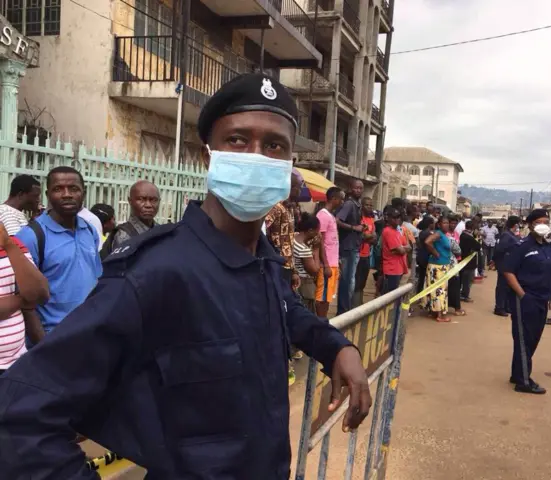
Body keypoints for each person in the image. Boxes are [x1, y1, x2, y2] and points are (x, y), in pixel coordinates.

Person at [0, 73, 371, 478]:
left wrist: (337, 348)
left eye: (274, 145)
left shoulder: (261, 260)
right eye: (237, 140)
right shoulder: (156, 272)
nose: (256, 156)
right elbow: (19, 416)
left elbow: (286, 311)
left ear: (288, 164)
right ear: (208, 156)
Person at [15, 166, 102, 337]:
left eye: (74, 189)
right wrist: (44, 347)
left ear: (83, 193)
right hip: (54, 338)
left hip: (90, 333)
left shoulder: (90, 230)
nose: (67, 194)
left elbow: (96, 280)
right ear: (47, 195)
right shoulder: (31, 236)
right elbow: (24, 300)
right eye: (58, 189)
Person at [503, 209, 551, 394]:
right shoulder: (522, 246)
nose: (542, 224)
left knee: (533, 339)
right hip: (526, 298)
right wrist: (522, 295)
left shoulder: (547, 246)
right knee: (524, 339)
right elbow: (508, 271)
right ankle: (523, 381)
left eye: (546, 221)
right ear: (530, 224)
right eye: (538, 221)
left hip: (543, 299)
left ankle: (517, 373)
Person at [0, 222, 49, 373]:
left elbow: (40, 293)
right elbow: (30, 297)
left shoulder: (12, 242)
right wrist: (21, 300)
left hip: (16, 365)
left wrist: (8, 244)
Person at [102, 181, 160, 258]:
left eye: (153, 200)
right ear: (130, 201)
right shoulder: (123, 235)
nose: (148, 205)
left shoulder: (161, 230)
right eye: (141, 199)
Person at [265, 173, 303, 289]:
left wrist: (293, 271)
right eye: (298, 187)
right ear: (290, 187)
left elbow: (288, 242)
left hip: (287, 267)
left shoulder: (289, 208)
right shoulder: (276, 207)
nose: (300, 191)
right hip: (275, 266)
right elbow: (261, 231)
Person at [335, 179, 364, 314]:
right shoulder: (349, 204)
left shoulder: (357, 205)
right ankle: (343, 310)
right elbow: (337, 221)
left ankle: (346, 309)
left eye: (360, 188)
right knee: (346, 281)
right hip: (347, 247)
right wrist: (354, 227)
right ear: (351, 189)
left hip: (353, 246)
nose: (358, 190)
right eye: (356, 188)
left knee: (351, 281)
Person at [315, 187, 344, 317]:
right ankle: (321, 324)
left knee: (327, 297)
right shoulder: (322, 215)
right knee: (322, 297)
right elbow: (319, 241)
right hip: (326, 265)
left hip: (333, 263)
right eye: (341, 199)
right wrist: (326, 264)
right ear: (334, 199)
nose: (342, 202)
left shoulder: (331, 216)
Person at [425, 215, 452, 322]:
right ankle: (440, 315)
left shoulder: (444, 235)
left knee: (438, 289)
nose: (447, 225)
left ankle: (435, 312)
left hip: (443, 265)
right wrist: (435, 253)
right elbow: (427, 242)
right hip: (438, 266)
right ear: (439, 225)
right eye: (444, 223)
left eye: (447, 223)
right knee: (440, 290)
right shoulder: (438, 233)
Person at [493, 215, 521, 317]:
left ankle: (506, 306)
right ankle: (499, 307)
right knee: (502, 287)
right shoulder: (506, 235)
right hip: (504, 265)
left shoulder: (512, 235)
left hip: (510, 265)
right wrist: (496, 262)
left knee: (508, 287)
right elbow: (500, 250)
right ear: (515, 225)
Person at [293, 212, 321, 312]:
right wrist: (316, 250)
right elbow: (314, 270)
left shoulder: (293, 237)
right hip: (304, 286)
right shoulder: (303, 249)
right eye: (317, 231)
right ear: (310, 231)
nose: (318, 234)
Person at [353, 196, 376, 308]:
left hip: (367, 255)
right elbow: (362, 236)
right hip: (357, 254)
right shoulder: (359, 218)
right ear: (362, 205)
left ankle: (359, 304)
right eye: (367, 205)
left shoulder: (371, 220)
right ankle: (354, 305)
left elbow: (374, 237)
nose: (369, 207)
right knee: (356, 282)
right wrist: (368, 236)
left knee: (363, 282)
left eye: (371, 205)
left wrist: (368, 236)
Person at [380, 207, 410, 294]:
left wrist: (402, 248)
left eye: (398, 217)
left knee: (396, 296)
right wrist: (403, 248)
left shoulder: (397, 231)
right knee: (390, 297)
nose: (397, 219)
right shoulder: (388, 231)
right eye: (394, 217)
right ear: (388, 218)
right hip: (392, 269)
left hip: (399, 267)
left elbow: (409, 246)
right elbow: (401, 250)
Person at [446, 215, 465, 316]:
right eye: (451, 223)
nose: (453, 225)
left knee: (455, 285)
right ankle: (454, 308)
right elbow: (456, 249)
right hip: (446, 262)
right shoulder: (446, 235)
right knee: (448, 285)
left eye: (455, 223)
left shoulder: (457, 234)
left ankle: (456, 307)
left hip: (455, 262)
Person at [459, 220, 481, 302]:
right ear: (472, 228)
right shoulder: (468, 237)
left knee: (466, 279)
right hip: (468, 262)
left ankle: (463, 294)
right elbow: (478, 246)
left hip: (465, 261)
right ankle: (465, 295)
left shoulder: (463, 235)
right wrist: (475, 237)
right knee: (468, 280)